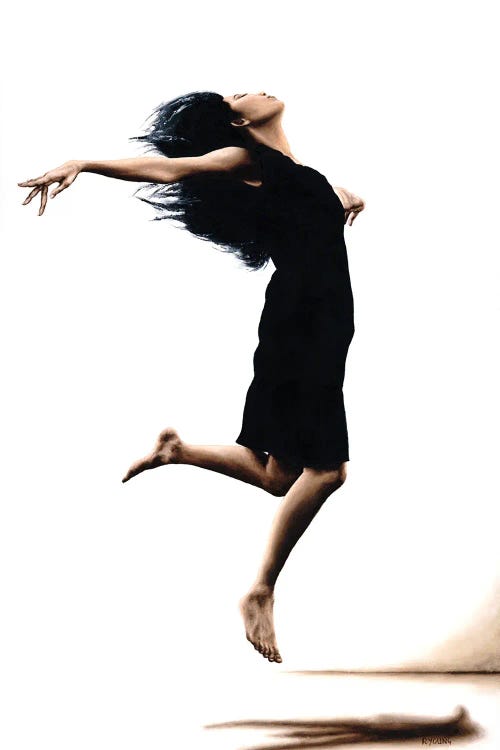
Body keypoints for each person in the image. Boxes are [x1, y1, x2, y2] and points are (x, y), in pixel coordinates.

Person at [18, 90, 365, 663]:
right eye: (238, 95)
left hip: (315, 324)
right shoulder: (246, 157)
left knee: (280, 475)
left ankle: (178, 450)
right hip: (304, 325)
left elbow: (306, 205)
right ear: (239, 121)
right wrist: (85, 163)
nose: (252, 89)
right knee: (326, 472)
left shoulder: (297, 173)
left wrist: (341, 197)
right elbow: (168, 168)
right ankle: (260, 590)